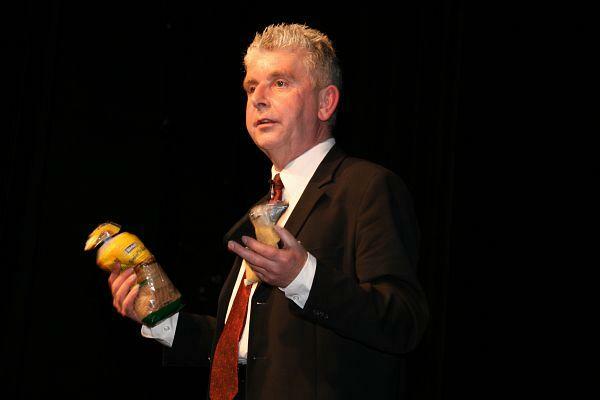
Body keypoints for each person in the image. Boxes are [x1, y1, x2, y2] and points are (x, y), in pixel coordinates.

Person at [108, 23, 429, 399]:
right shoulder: (265, 208)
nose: (258, 98)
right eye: (250, 87)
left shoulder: (367, 188)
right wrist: (160, 316)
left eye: (280, 83)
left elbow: (402, 322)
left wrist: (301, 276)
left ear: (326, 103)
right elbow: (245, 348)